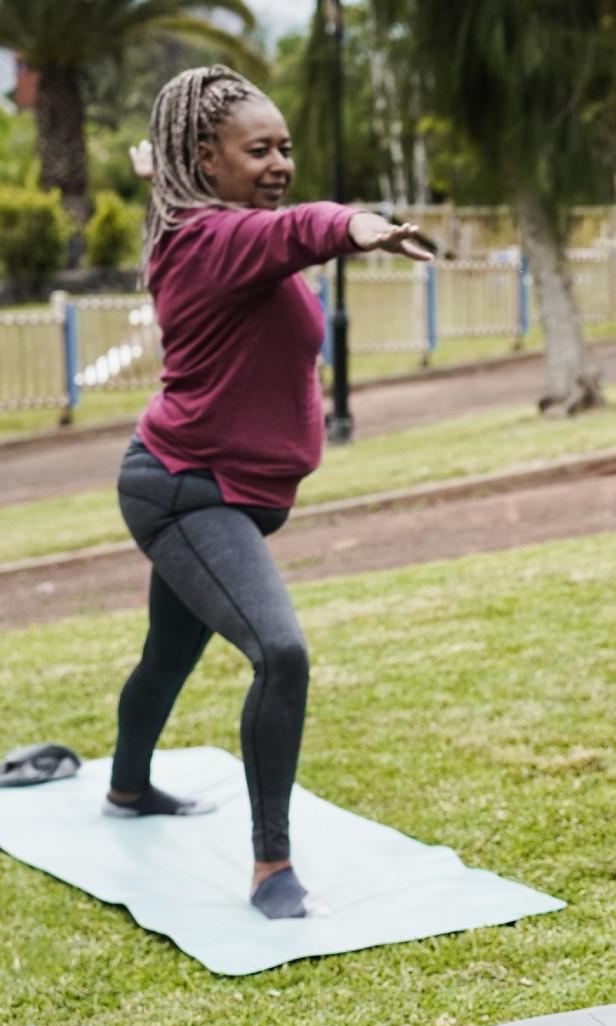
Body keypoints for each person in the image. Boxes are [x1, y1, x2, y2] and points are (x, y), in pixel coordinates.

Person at [105, 66, 431, 919]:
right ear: (206, 157)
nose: (281, 161)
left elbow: (262, 223)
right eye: (260, 149)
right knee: (279, 653)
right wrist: (363, 227)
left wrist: (161, 169)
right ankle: (271, 870)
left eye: (286, 147)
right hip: (186, 491)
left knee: (167, 656)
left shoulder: (200, 223)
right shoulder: (216, 241)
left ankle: (128, 789)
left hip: (210, 486)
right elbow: (305, 230)